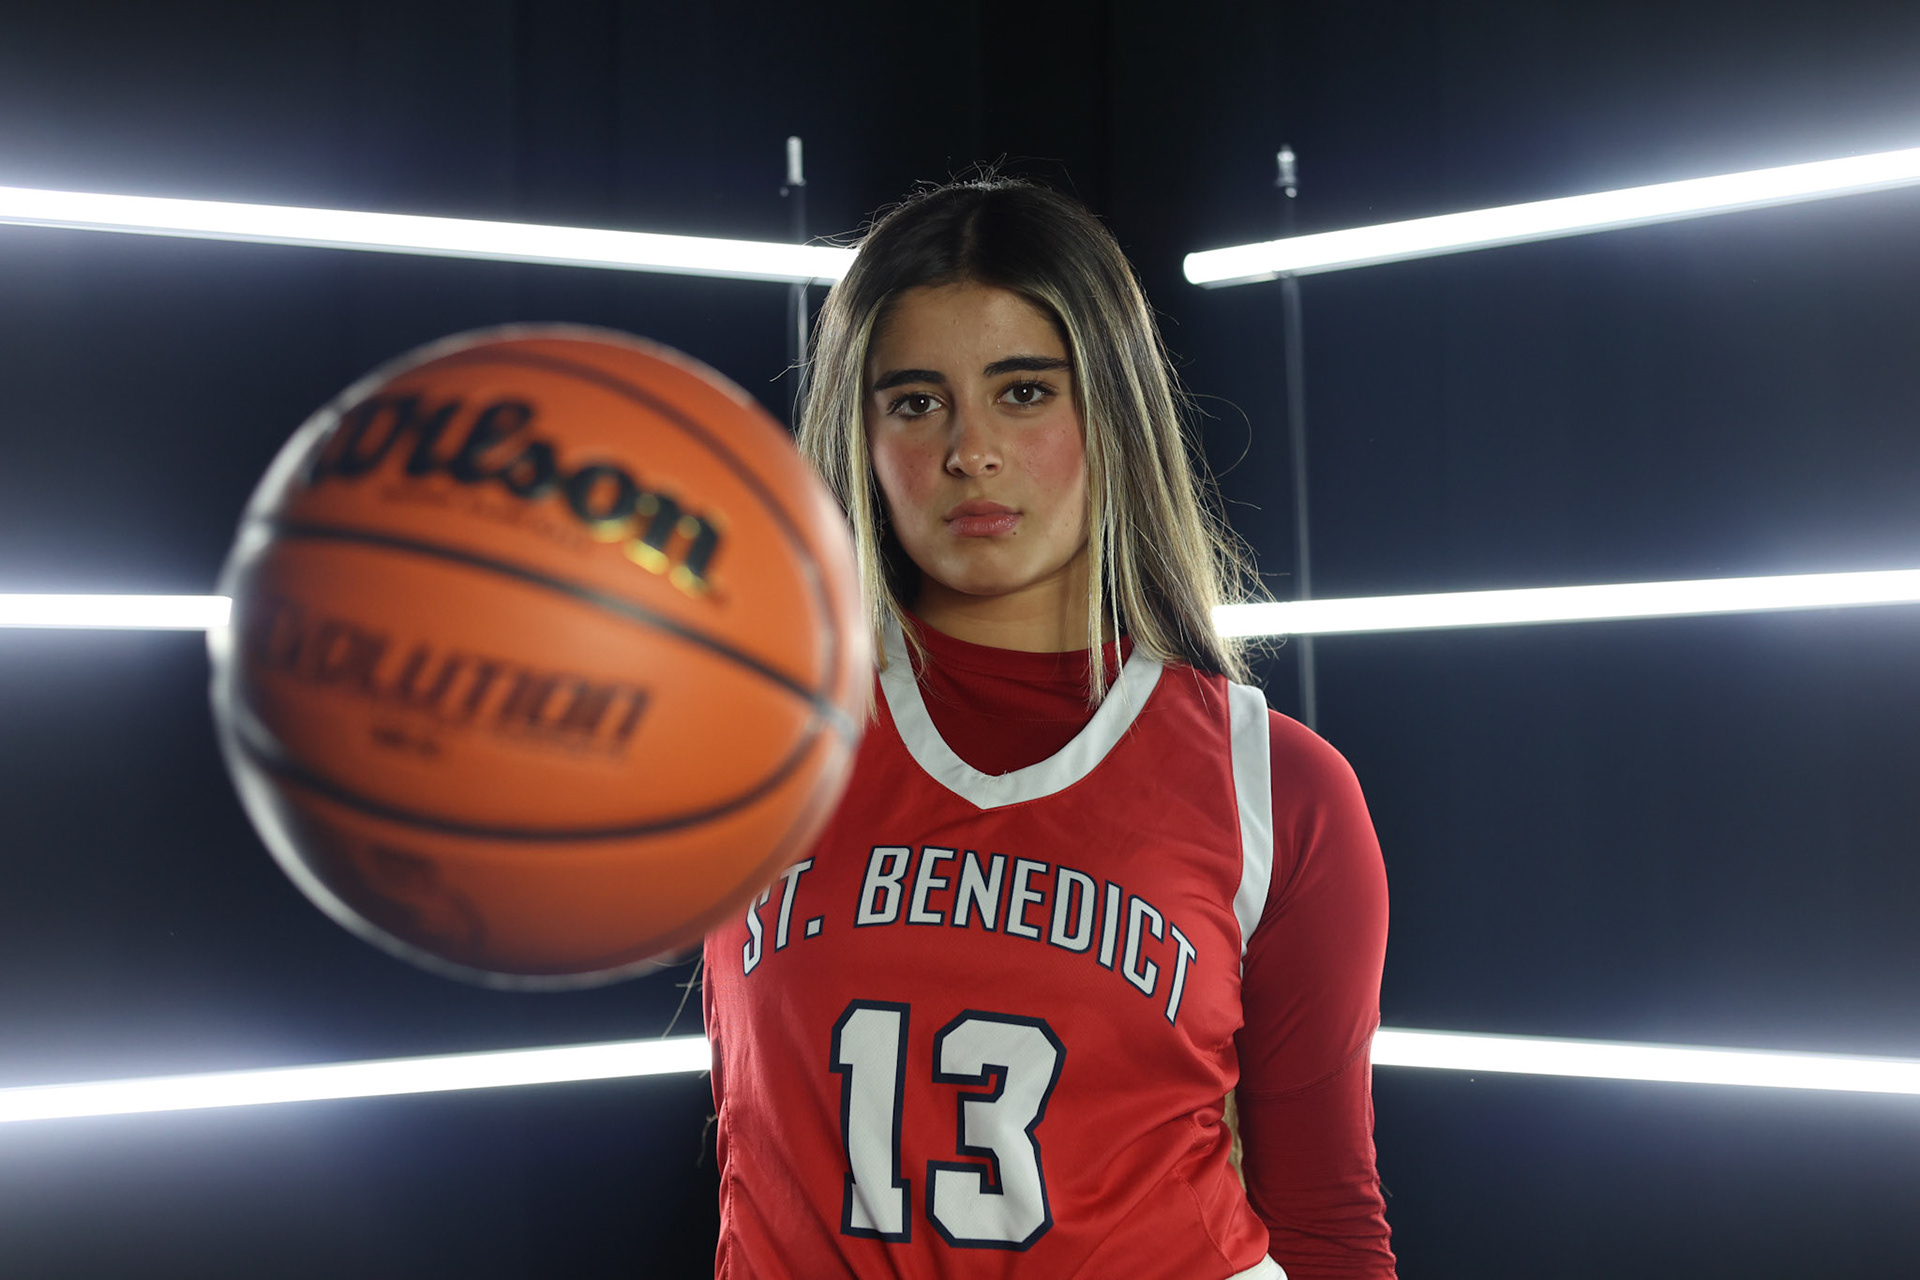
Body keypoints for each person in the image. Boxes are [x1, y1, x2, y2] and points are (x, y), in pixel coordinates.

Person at [702, 176, 1395, 1279]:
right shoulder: (752, 744)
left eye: (1023, 391)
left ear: (1112, 410)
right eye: (916, 401)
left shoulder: (1276, 788)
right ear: (863, 434)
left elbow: (1327, 1213)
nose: (970, 451)